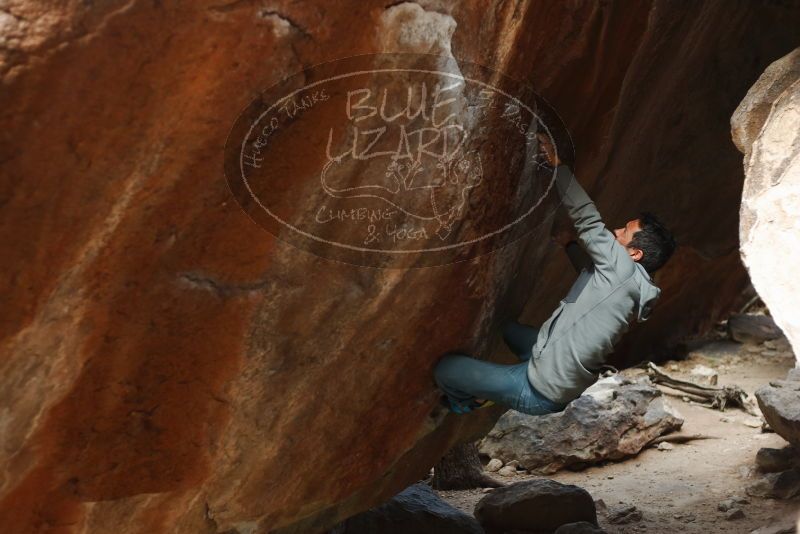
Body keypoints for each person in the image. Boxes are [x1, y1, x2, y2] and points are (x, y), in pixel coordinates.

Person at [433, 133, 677, 416]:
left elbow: (588, 218)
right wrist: (570, 246)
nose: (615, 232)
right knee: (507, 330)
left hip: (537, 390)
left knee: (446, 369)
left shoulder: (622, 270)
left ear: (635, 254)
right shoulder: (630, 283)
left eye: (624, 233)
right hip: (555, 372)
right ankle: (498, 381)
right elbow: (593, 280)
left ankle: (466, 401)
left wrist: (558, 168)